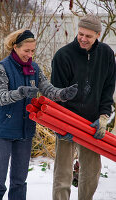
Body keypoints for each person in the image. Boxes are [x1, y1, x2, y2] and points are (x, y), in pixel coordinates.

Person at [0, 29, 78, 200]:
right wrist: (20, 92)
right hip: (1, 133)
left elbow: (48, 89)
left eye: (33, 50)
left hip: (25, 132)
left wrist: (63, 94)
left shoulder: (34, 68)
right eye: (26, 51)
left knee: (19, 181)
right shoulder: (2, 68)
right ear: (15, 47)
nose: (30, 54)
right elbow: (0, 98)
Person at [51, 14, 116, 200]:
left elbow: (108, 88)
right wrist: (60, 126)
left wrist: (104, 117)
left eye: (88, 36)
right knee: (62, 173)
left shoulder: (106, 54)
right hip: (66, 120)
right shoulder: (63, 56)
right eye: (80, 34)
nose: (83, 39)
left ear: (98, 34)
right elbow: (56, 94)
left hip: (91, 122)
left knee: (92, 172)